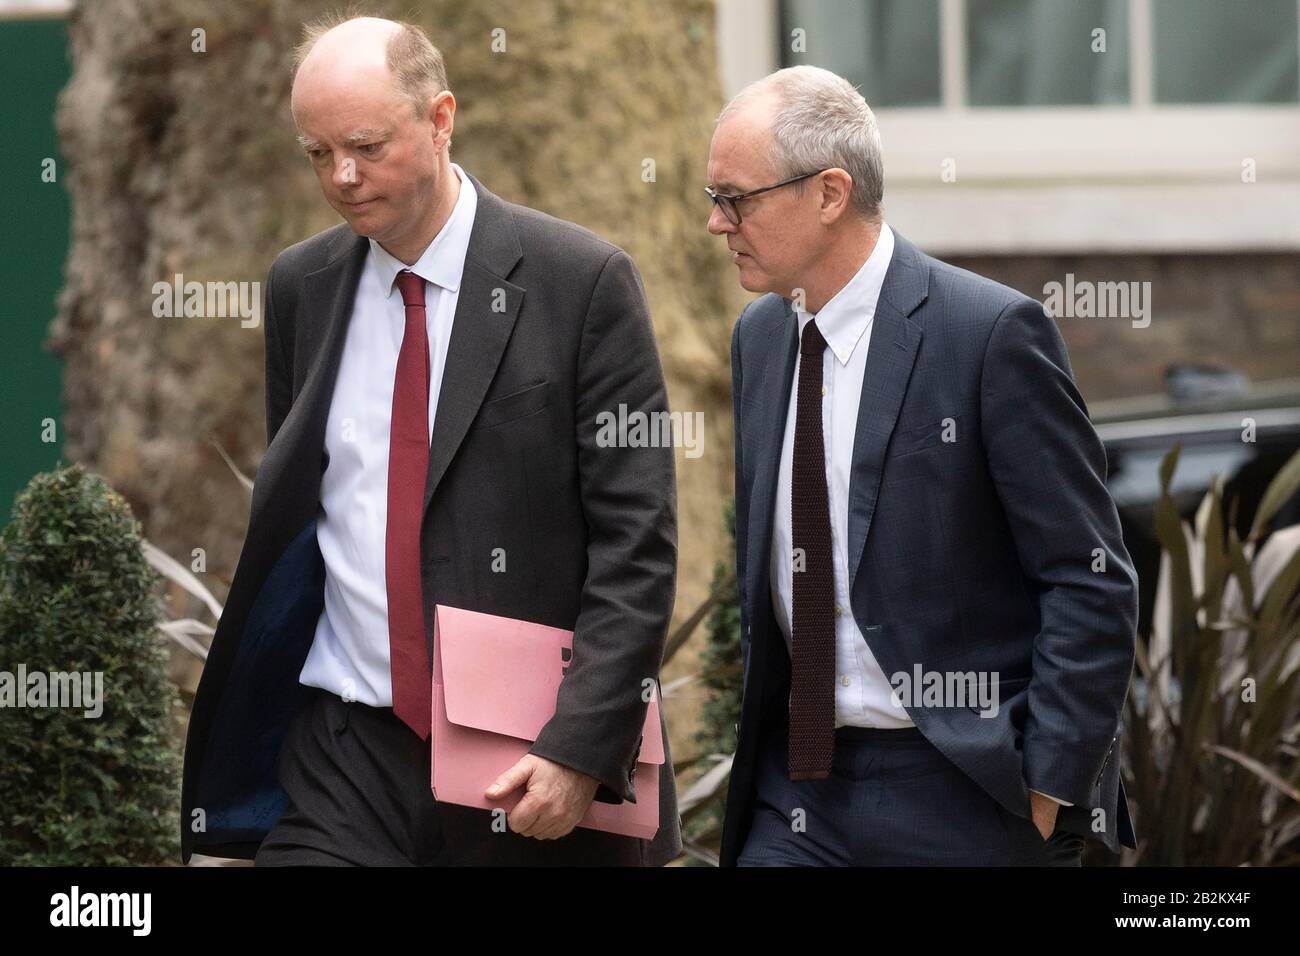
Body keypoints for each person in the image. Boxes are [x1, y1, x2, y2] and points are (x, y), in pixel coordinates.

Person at [180, 14, 680, 867]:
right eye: (317, 152)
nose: (342, 175)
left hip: (522, 757)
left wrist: (578, 748)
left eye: (367, 146)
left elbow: (638, 542)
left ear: (441, 117)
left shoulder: (582, 283)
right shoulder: (301, 286)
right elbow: (307, 511)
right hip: (345, 755)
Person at [711, 66, 1138, 866]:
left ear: (829, 193)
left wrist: (1047, 788)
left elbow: (1089, 577)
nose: (716, 222)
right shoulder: (759, 337)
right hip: (797, 789)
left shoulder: (989, 334)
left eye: (736, 197)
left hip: (962, 790)